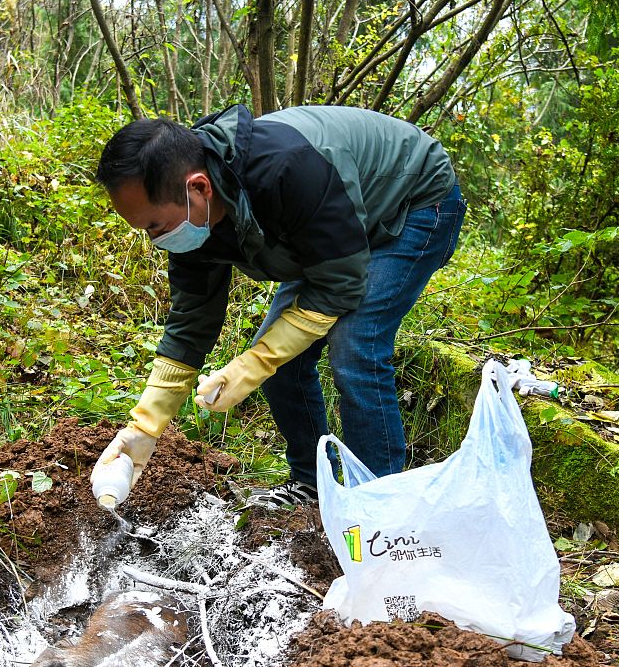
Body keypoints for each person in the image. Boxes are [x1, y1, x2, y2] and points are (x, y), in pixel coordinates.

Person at [92, 104, 465, 507]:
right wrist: (145, 425)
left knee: (356, 348)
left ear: (199, 188)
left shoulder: (289, 170)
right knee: (284, 362)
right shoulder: (187, 220)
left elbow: (339, 286)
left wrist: (256, 361)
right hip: (333, 233)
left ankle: (380, 504)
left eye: (155, 227)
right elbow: (191, 322)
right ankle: (312, 484)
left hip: (413, 202)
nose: (155, 240)